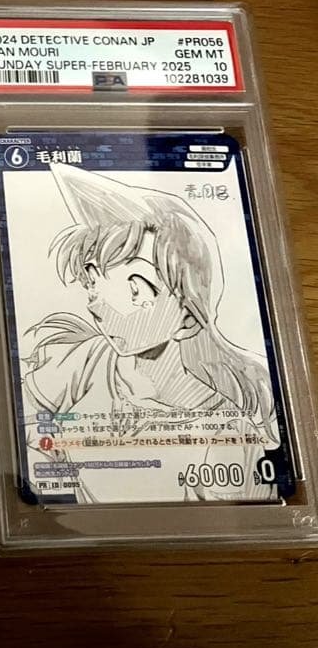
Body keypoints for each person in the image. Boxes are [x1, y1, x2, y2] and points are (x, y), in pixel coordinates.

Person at [22, 162, 283, 503]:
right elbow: (23, 423)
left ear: (188, 318)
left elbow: (234, 521)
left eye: (138, 288)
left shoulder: (226, 433)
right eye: (93, 280)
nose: (99, 304)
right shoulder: (90, 357)